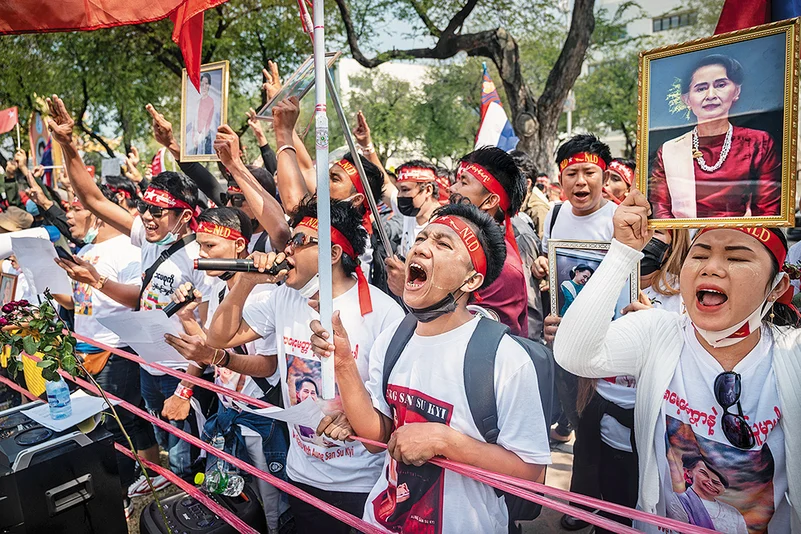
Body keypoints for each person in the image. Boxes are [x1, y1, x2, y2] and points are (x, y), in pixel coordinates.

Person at [555, 190, 801, 532]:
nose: (712, 268)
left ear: (776, 287)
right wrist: (623, 251)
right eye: (699, 254)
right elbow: (574, 353)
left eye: (736, 258)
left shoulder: (793, 357)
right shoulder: (658, 330)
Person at [309, 203, 551, 534]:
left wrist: (444, 440)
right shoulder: (393, 338)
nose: (421, 247)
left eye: (442, 243)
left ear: (471, 279)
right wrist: (343, 364)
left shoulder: (504, 359)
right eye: (422, 238)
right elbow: (376, 437)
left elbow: (531, 472)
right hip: (381, 520)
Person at [46, 94, 216, 491]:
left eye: (159, 212)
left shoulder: (203, 255)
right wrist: (69, 144)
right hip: (148, 367)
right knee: (160, 443)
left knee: (189, 459)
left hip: (183, 375)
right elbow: (93, 199)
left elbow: (209, 336)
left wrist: (186, 387)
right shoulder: (150, 239)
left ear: (184, 217)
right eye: (145, 208)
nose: (147, 218)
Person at [206, 197, 404, 534]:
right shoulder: (283, 296)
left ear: (332, 254)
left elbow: (392, 408)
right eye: (288, 242)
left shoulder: (384, 314)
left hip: (361, 480)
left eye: (299, 241)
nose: (287, 251)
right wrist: (247, 282)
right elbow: (219, 337)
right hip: (302, 471)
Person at [164, 207, 289, 533]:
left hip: (261, 418)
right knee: (229, 490)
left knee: (272, 497)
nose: (202, 256)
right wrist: (188, 319)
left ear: (239, 246)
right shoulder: (216, 287)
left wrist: (218, 358)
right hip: (228, 408)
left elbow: (269, 365)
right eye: (200, 247)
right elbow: (210, 347)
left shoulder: (263, 292)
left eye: (210, 247)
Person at [567, 228, 690, 533]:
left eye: (658, 231)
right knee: (612, 510)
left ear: (677, 239)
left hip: (653, 432)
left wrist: (655, 329)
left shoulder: (687, 291)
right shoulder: (606, 278)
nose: (646, 238)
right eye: (640, 229)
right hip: (603, 419)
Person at [51, 191, 157, 518]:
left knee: (121, 421)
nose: (68, 216)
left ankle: (132, 486)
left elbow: (137, 298)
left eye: (75, 207)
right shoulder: (87, 250)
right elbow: (77, 302)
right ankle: (132, 480)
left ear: (97, 214)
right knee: (103, 421)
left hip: (116, 348)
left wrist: (96, 279)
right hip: (86, 348)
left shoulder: (128, 250)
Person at [532, 133, 614, 452]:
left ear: (604, 177)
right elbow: (548, 257)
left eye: (589, 173)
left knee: (599, 426)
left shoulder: (617, 220)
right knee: (574, 413)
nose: (580, 182)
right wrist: (542, 263)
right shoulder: (554, 214)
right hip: (561, 338)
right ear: (560, 179)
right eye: (572, 173)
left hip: (603, 344)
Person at [650, 54, 781, 219]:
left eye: (720, 85)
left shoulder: (758, 143)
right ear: (686, 99)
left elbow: (767, 211)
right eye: (701, 88)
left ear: (736, 91)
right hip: (685, 241)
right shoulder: (669, 150)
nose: (711, 95)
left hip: (742, 239)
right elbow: (661, 210)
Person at [449, 146, 529, 336]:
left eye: (463, 182)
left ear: (490, 201)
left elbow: (480, 341)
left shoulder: (502, 268)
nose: (452, 188)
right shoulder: (468, 247)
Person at [382, 160, 443, 296]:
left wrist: (406, 281)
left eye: (405, 190)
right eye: (398, 190)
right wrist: (366, 146)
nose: (399, 196)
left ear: (428, 190)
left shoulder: (445, 227)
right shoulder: (411, 213)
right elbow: (385, 184)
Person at [667, 455, 748, 533]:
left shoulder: (733, 513)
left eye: (717, 482)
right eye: (704, 474)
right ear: (688, 472)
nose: (710, 483)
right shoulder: (678, 501)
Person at [193, 72, 217, 155]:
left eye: (206, 84)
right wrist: (194, 137)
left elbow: (209, 122)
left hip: (206, 137)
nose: (204, 86)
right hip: (196, 138)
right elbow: (195, 122)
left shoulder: (211, 101)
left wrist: (201, 137)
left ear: (209, 85)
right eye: (202, 84)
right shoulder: (197, 103)